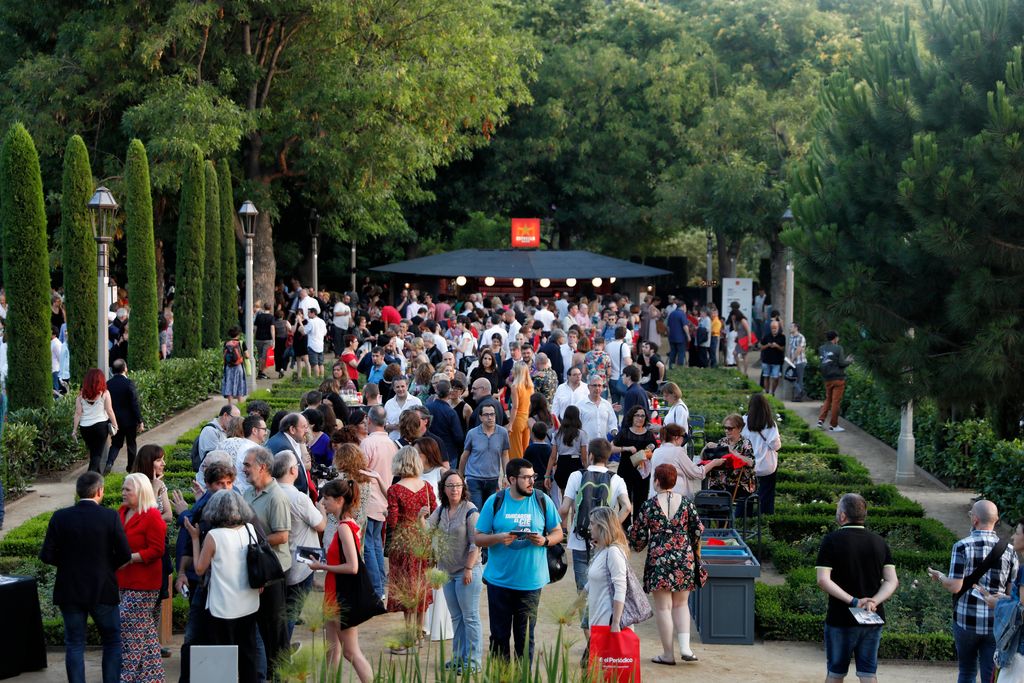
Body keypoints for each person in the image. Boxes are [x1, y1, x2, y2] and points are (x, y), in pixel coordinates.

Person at [40, 472, 132, 683]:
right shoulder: (110, 517)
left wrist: (67, 565)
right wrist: (107, 567)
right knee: (111, 641)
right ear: (100, 491)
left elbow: (46, 555)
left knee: (74, 643)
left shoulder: (60, 517)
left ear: (77, 491)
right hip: (102, 588)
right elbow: (125, 554)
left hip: (69, 589)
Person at [473, 458, 564, 661]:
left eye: (533, 477)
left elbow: (558, 532)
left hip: (530, 583)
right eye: (526, 478)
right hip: (499, 582)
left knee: (525, 639)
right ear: (511, 479)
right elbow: (477, 537)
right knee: (499, 638)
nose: (532, 481)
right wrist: (498, 537)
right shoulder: (495, 501)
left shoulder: (542, 500)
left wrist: (545, 540)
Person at [927, 499, 1019, 683]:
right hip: (996, 622)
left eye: (970, 514)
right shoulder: (1009, 550)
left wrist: (941, 577)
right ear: (996, 519)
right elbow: (1011, 593)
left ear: (975, 519)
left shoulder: (962, 546)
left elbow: (955, 586)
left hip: (966, 620)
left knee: (967, 671)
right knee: (990, 674)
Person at [816, 493, 899, 683]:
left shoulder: (832, 540)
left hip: (841, 617)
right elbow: (891, 581)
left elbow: (823, 580)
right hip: (872, 616)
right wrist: (873, 601)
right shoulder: (879, 542)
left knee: (836, 673)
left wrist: (854, 601)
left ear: (843, 516)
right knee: (868, 673)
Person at [629, 464, 706, 665]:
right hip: (683, 557)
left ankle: (668, 654)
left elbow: (637, 536)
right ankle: (686, 648)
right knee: (681, 604)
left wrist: (640, 545)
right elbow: (698, 530)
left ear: (656, 481)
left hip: (659, 558)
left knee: (664, 608)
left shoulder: (649, 505)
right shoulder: (687, 503)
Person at [182, 489, 262, 683]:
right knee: (248, 653)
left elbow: (200, 569)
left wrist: (194, 538)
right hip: (248, 602)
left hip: (222, 606)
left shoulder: (214, 536)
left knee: (222, 658)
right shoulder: (250, 530)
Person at [171, 460, 237, 682]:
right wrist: (181, 572)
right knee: (195, 638)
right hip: (206, 587)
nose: (225, 488)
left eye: (229, 483)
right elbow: (192, 549)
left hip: (225, 590)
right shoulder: (205, 509)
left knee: (223, 641)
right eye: (220, 483)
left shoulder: (238, 511)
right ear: (209, 485)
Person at [559, 439, 631, 638]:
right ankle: (600, 638)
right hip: (605, 544)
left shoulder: (576, 476)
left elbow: (565, 508)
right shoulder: (616, 479)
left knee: (584, 591)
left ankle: (590, 642)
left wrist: (559, 529)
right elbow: (627, 506)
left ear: (589, 455)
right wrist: (611, 527)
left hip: (579, 541)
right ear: (608, 458)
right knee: (604, 591)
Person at [308, 479, 375, 683]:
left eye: (326, 499)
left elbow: (353, 566)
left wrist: (323, 567)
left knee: (350, 652)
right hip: (334, 592)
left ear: (339, 500)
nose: (323, 502)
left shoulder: (344, 527)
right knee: (332, 649)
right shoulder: (346, 524)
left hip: (341, 594)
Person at [241, 446, 292, 680]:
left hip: (272, 570)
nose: (244, 469)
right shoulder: (248, 493)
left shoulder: (277, 496)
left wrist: (253, 542)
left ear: (262, 467)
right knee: (259, 625)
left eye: (247, 465)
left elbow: (282, 536)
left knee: (275, 627)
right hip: (256, 569)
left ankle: (280, 673)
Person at [428, 469, 484, 673]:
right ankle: (459, 658)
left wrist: (469, 568)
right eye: (450, 486)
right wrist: (420, 517)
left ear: (464, 488)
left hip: (467, 571)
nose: (454, 490)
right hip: (447, 572)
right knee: (456, 617)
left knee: (470, 617)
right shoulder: (441, 510)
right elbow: (426, 529)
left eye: (458, 485)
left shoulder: (470, 510)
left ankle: (474, 661)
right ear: (443, 489)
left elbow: (475, 544)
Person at [386, 446, 438, 653]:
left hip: (403, 542)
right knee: (421, 586)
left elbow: (392, 521)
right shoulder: (426, 487)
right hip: (423, 540)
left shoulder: (395, 489)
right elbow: (434, 513)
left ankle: (408, 637)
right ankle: (419, 634)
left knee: (407, 588)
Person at [116, 473, 167, 683]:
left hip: (144, 583)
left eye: (128, 490)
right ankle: (152, 677)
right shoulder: (121, 512)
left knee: (129, 628)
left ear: (141, 492)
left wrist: (131, 558)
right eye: (123, 489)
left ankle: (127, 676)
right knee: (144, 631)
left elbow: (157, 549)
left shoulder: (152, 516)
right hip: (122, 580)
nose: (123, 493)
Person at [273, 451, 326, 639]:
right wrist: (322, 510)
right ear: (293, 470)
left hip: (277, 558)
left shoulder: (270, 493)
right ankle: (282, 653)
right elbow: (320, 525)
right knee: (292, 610)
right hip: (301, 559)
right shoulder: (298, 498)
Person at [976, 517, 1024, 681]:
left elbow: (1022, 611)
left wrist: (998, 604)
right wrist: (1007, 599)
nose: (1013, 537)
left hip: (1019, 652)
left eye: (1017, 533)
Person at [360, 405, 397, 598]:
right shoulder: (391, 443)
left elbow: (360, 470)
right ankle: (380, 584)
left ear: (369, 420)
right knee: (376, 544)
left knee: (370, 545)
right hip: (384, 498)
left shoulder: (368, 443)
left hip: (370, 499)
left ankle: (377, 587)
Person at [585, 506, 629, 647]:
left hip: (607, 624)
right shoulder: (602, 550)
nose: (589, 527)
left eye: (592, 523)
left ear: (603, 526)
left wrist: (615, 623)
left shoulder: (614, 552)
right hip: (598, 622)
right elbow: (590, 585)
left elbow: (621, 588)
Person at [458, 403, 511, 512]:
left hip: (492, 478)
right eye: (486, 415)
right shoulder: (472, 434)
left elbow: (505, 455)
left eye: (492, 414)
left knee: (490, 511)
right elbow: (465, 455)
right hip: (474, 478)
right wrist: (460, 476)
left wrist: (506, 475)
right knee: (476, 511)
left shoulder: (502, 433)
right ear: (480, 417)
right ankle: (477, 529)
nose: (490, 417)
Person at [649, 424, 724, 499]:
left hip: (656, 496)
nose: (683, 439)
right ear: (676, 437)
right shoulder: (677, 451)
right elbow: (697, 473)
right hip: (675, 497)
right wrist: (714, 463)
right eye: (682, 436)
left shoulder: (657, 451)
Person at [613, 406, 657, 525]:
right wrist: (625, 448)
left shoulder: (649, 435)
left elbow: (655, 452)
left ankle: (638, 532)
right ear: (632, 417)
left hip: (642, 473)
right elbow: (610, 448)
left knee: (641, 501)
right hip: (625, 470)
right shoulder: (625, 432)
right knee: (624, 501)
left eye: (642, 416)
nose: (640, 418)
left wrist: (647, 454)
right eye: (637, 415)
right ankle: (625, 530)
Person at [73, 368, 118, 473]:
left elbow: (78, 413)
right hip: (100, 427)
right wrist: (115, 425)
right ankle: (89, 480)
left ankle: (97, 479)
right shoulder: (105, 393)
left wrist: (74, 430)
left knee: (93, 453)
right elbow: (109, 410)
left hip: (85, 428)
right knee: (97, 454)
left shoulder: (80, 396)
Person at [743, 393, 782, 515]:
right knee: (767, 493)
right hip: (766, 466)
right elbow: (775, 446)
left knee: (744, 492)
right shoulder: (770, 424)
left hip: (747, 464)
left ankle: (744, 515)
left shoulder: (743, 421)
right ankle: (765, 515)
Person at [104, 359, 145, 474]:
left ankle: (109, 462)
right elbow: (134, 403)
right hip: (129, 420)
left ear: (113, 370)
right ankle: (131, 468)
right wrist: (140, 420)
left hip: (115, 420)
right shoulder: (129, 383)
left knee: (116, 444)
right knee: (131, 444)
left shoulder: (108, 384)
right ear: (125, 369)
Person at [544, 404, 588, 495]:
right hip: (576, 463)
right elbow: (584, 457)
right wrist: (587, 470)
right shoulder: (581, 434)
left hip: (562, 464)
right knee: (576, 496)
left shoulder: (557, 434)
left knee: (565, 496)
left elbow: (552, 457)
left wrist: (547, 475)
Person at [817, 331, 853, 432]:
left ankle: (820, 420)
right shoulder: (838, 348)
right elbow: (841, 363)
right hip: (838, 379)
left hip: (827, 378)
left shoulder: (821, 348)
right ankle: (833, 425)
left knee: (828, 399)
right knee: (835, 402)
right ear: (835, 338)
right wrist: (849, 361)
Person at [426, 379, 464, 468]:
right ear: (449, 392)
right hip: (448, 454)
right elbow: (459, 437)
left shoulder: (427, 408)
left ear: (436, 390)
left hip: (430, 452)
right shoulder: (451, 412)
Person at [508, 361, 533, 461]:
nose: (511, 370)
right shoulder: (530, 386)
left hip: (517, 419)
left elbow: (515, 407)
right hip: (526, 419)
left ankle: (517, 472)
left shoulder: (515, 387)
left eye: (514, 369)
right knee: (525, 449)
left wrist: (510, 424)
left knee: (515, 451)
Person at [221, 326, 249, 405]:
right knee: (239, 382)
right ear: (239, 334)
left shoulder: (226, 343)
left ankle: (230, 403)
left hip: (228, 366)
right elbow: (247, 355)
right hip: (238, 366)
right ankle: (239, 402)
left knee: (229, 382)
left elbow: (224, 355)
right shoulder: (241, 342)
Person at [759, 319, 786, 395]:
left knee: (775, 377)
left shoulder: (782, 337)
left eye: (775, 328)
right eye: (772, 328)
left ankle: (773, 391)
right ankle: (767, 392)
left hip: (776, 360)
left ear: (778, 328)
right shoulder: (767, 336)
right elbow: (761, 347)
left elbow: (783, 349)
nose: (774, 330)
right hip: (766, 359)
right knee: (766, 376)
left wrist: (777, 346)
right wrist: (767, 345)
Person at [254, 302, 275, 380]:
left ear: (264, 307)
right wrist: (273, 340)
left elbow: (255, 328)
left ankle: (260, 371)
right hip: (267, 339)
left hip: (258, 338)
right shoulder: (271, 317)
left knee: (260, 355)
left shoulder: (258, 316)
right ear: (270, 308)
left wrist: (254, 337)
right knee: (264, 356)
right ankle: (261, 372)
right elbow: (272, 329)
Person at [788, 321, 808, 401]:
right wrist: (789, 358)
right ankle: (800, 393)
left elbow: (799, 349)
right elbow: (790, 347)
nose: (790, 328)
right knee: (791, 378)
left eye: (792, 326)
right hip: (792, 362)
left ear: (796, 328)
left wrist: (792, 359)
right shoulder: (791, 336)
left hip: (800, 361)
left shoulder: (801, 337)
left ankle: (799, 396)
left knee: (799, 379)